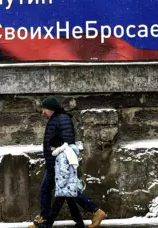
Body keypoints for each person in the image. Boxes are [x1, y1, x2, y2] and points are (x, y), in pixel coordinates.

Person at [31, 96, 107, 228]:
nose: (43, 112)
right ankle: (80, 219)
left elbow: (66, 142)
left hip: (59, 164)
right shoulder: (56, 119)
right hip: (54, 163)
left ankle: (95, 211)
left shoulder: (62, 119)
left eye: (45, 109)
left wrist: (60, 162)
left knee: (67, 191)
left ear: (51, 109)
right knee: (57, 190)